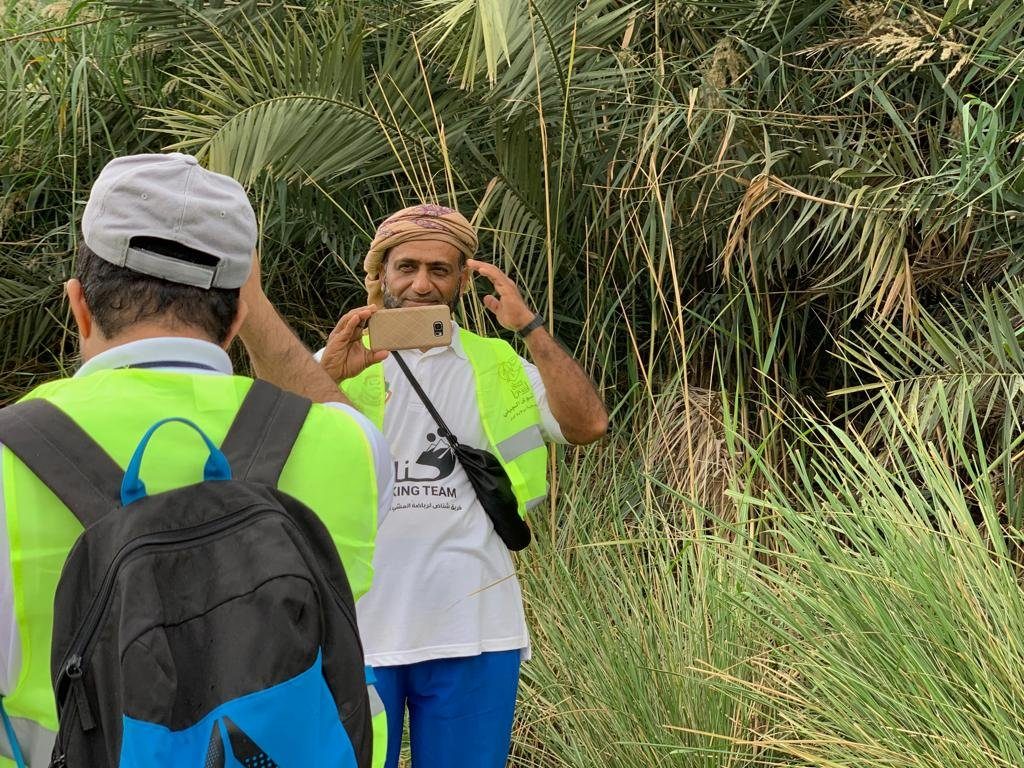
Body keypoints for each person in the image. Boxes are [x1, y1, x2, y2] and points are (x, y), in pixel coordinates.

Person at [0, 153, 393, 767]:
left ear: (78, 305)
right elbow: (329, 411)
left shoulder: (8, 455)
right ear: (237, 321)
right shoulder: (353, 447)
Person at [320, 204, 608, 768]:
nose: (421, 284)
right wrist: (328, 374)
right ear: (380, 274)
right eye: (406, 267)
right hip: (355, 631)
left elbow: (588, 425)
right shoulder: (333, 363)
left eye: (439, 270)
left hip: (475, 630)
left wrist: (528, 327)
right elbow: (266, 456)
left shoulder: (500, 364)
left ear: (462, 281)